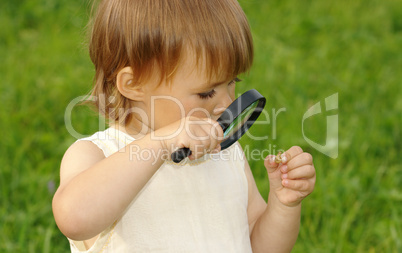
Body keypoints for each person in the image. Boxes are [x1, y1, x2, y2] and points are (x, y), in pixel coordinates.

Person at [52, 0, 316, 252]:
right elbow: (74, 219)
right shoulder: (97, 154)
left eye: (232, 81)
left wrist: (282, 205)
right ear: (134, 85)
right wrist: (161, 142)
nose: (227, 103)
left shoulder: (225, 153)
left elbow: (258, 246)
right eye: (206, 93)